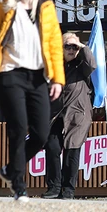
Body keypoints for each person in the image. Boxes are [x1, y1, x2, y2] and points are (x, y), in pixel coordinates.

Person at [0, 0, 65, 203]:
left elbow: (54, 45)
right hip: (9, 73)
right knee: (17, 128)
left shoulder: (46, 7)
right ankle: (19, 186)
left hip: (38, 75)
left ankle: (10, 169)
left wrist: (58, 78)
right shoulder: (4, 5)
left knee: (41, 133)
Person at [42, 32, 95, 199]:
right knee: (52, 146)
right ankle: (54, 187)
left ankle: (68, 189)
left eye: (75, 47)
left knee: (72, 150)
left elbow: (92, 64)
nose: (72, 50)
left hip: (77, 114)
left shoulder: (82, 66)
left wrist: (82, 47)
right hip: (55, 114)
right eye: (68, 46)